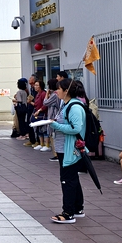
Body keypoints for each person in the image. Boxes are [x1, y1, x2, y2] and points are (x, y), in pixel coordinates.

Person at [50, 79, 87, 223]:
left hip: (69, 149)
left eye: (58, 89)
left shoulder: (74, 106)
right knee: (72, 178)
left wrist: (56, 126)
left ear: (66, 91)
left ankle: (68, 213)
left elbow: (75, 128)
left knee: (67, 179)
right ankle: (77, 208)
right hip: (64, 148)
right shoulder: (66, 105)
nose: (56, 91)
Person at [43, 79, 61, 162]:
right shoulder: (57, 94)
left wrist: (47, 94)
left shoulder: (54, 95)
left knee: (53, 136)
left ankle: (56, 154)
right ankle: (56, 154)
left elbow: (45, 103)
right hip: (55, 115)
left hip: (53, 116)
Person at [30, 80, 49, 151]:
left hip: (43, 114)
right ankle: (41, 144)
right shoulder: (37, 94)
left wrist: (39, 110)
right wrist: (30, 102)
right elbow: (36, 104)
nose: (35, 87)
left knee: (44, 129)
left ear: (41, 86)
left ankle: (46, 144)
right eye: (35, 85)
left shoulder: (43, 94)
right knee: (38, 129)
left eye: (37, 85)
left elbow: (45, 104)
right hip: (37, 113)